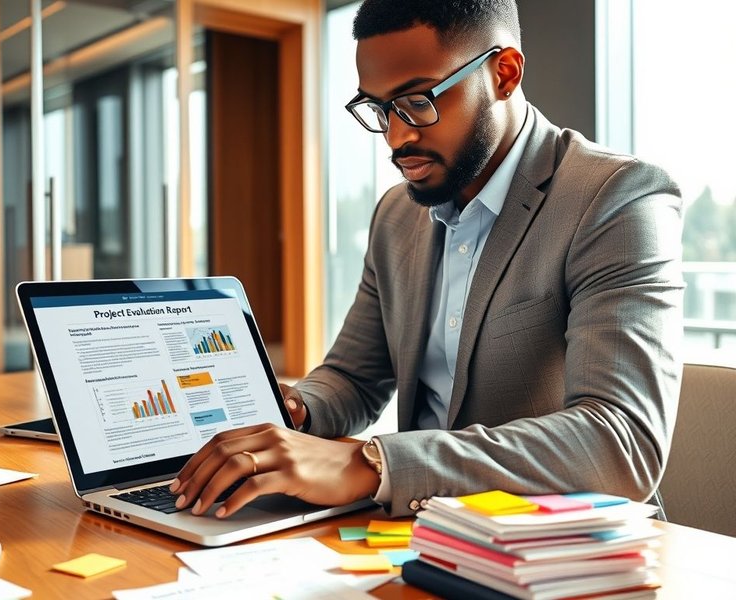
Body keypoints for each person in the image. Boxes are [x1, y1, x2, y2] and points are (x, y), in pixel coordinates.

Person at [170, 0, 684, 518]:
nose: (397, 137)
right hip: (422, 535)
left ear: (503, 73)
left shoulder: (615, 198)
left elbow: (622, 444)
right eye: (378, 108)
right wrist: (299, 410)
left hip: (566, 557)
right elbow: (355, 377)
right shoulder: (397, 215)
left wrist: (372, 464)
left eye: (417, 102)